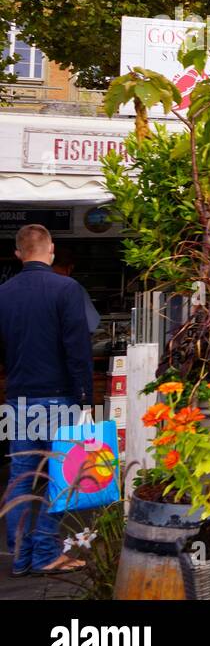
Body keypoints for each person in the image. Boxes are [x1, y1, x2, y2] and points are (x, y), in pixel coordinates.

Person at [0, 224, 94, 576]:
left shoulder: (3, 293)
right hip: (60, 400)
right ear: (50, 249)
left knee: (21, 479)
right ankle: (43, 553)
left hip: (18, 400)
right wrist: (85, 396)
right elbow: (77, 348)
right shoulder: (66, 288)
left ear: (18, 253)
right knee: (62, 478)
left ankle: (22, 557)